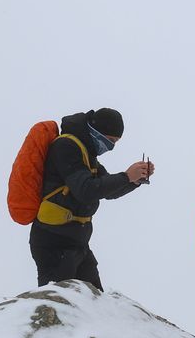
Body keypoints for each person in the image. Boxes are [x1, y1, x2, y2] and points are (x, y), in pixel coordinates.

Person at [29, 108, 154, 289]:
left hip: (76, 243)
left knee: (93, 305)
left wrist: (135, 181)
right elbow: (86, 190)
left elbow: (107, 191)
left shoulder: (87, 154)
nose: (111, 147)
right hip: (54, 243)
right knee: (61, 305)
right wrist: (126, 176)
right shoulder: (67, 146)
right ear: (97, 132)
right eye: (110, 141)